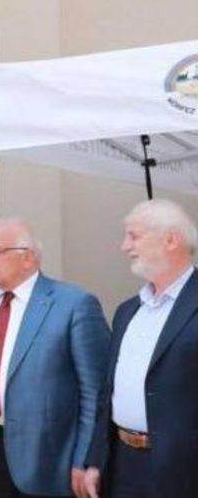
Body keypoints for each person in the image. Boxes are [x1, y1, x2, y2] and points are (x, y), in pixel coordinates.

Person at [0, 219, 109, 498]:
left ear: (28, 257)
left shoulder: (74, 304)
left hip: (51, 459)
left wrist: (85, 458)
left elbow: (95, 392)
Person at [83, 199, 198, 498]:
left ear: (171, 239)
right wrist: (96, 460)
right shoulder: (127, 311)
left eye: (134, 236)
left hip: (184, 471)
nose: (125, 246)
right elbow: (108, 393)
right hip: (121, 465)